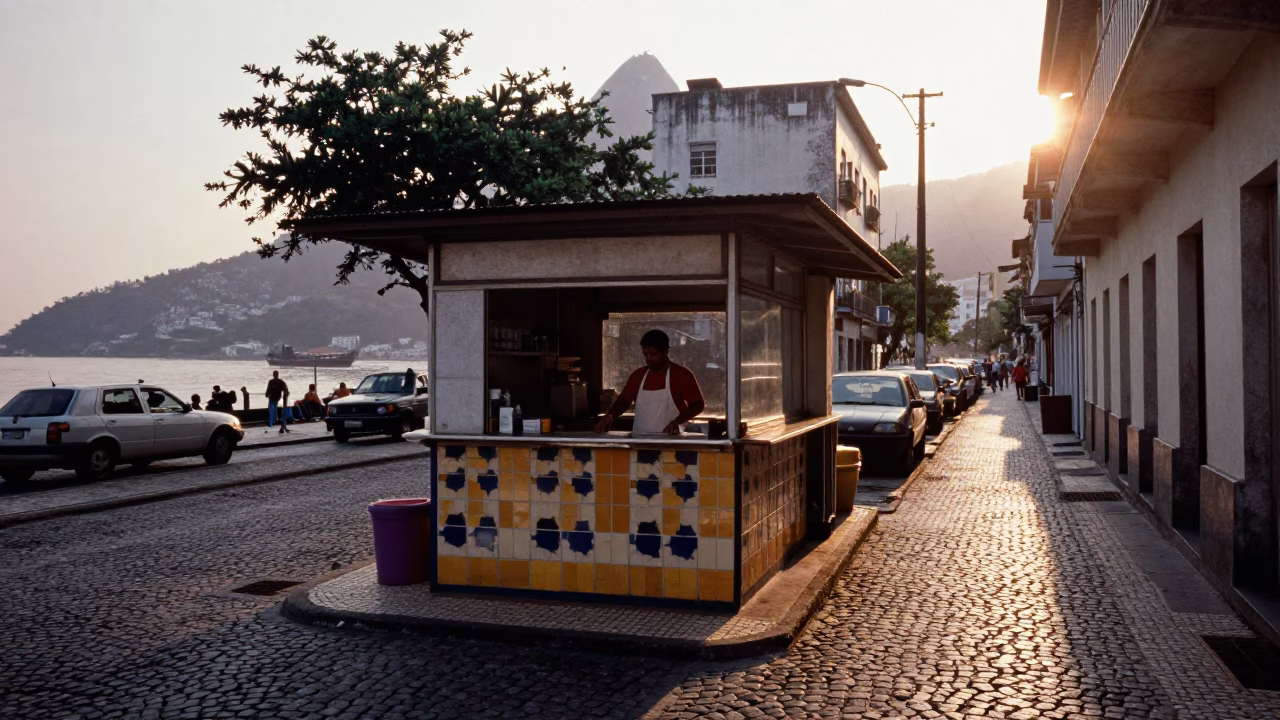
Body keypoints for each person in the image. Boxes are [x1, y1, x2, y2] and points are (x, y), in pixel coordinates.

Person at [594, 329, 706, 435]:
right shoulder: (638, 376)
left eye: (653, 354)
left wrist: (678, 421)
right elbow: (623, 401)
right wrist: (609, 416)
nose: (649, 358)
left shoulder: (681, 375)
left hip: (672, 443)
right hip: (640, 443)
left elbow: (698, 404)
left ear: (666, 351)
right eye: (645, 354)